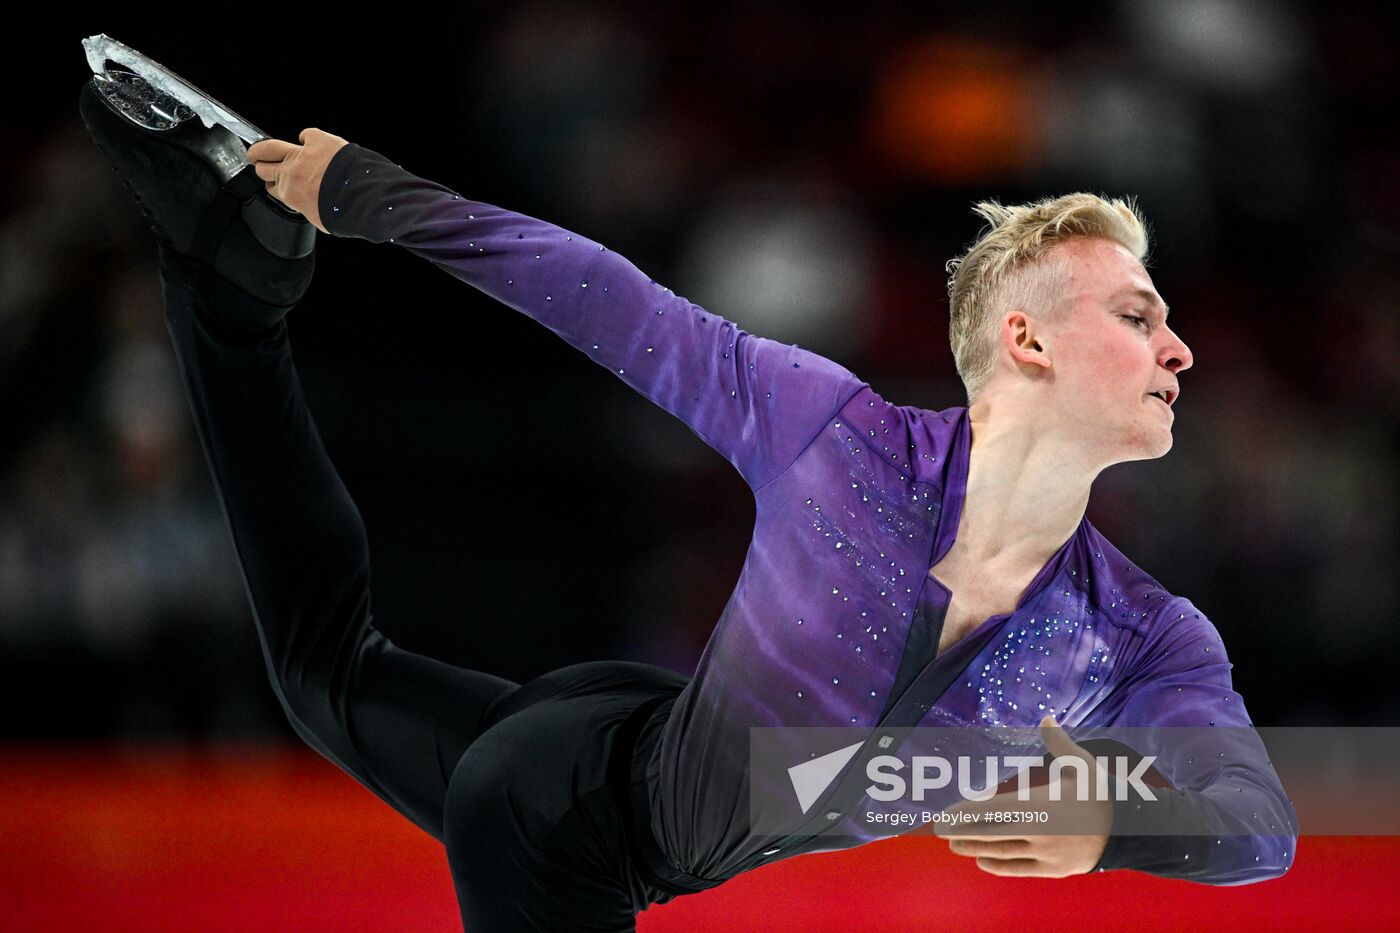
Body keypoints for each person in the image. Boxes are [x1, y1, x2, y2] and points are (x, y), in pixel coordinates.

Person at [79, 71, 1296, 931]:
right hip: (566, 823)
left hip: (622, 746)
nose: (1178, 350)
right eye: (1138, 317)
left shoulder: (1142, 636)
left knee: (322, 671)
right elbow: (612, 303)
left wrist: (1108, 825)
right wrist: (369, 195)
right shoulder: (837, 437)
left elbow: (1256, 827)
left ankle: (222, 294)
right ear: (1023, 340)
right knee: (329, 675)